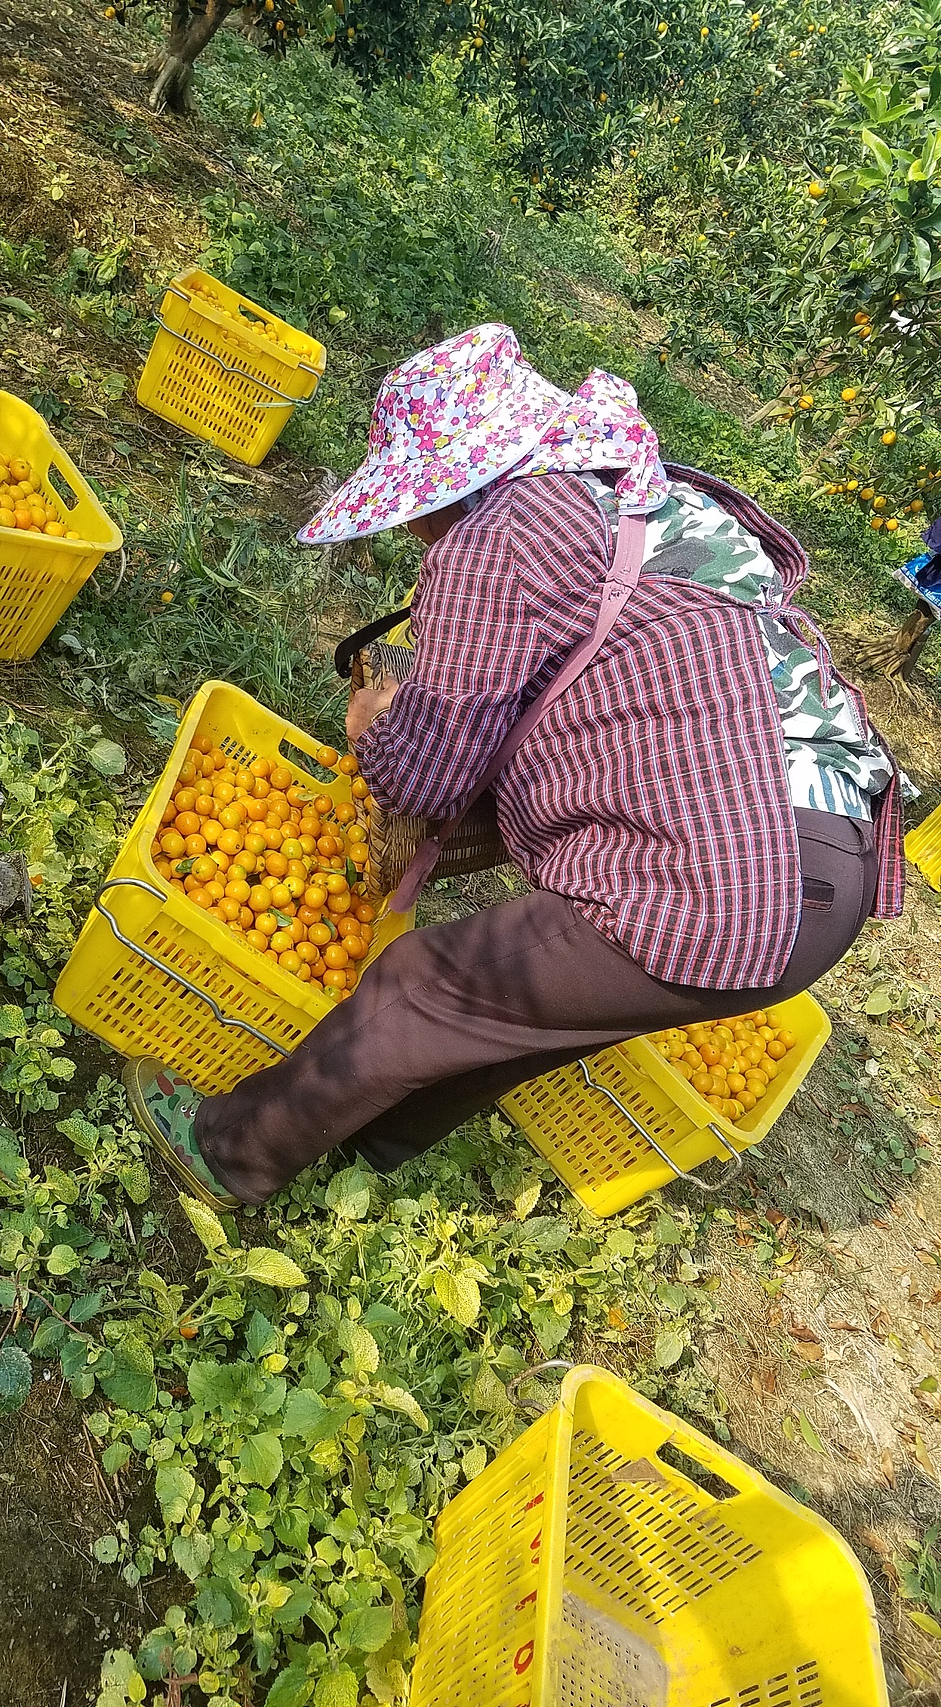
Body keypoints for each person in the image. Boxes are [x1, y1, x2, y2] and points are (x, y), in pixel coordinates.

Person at [124, 324, 904, 1210]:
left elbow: (422, 777)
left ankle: (227, 1152)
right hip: (824, 870)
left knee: (426, 983)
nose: (415, 531)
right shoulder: (630, 498)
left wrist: (377, 724)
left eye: (415, 508)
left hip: (730, 878)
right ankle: (371, 1138)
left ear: (456, 483)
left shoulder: (504, 533)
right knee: (526, 1013)